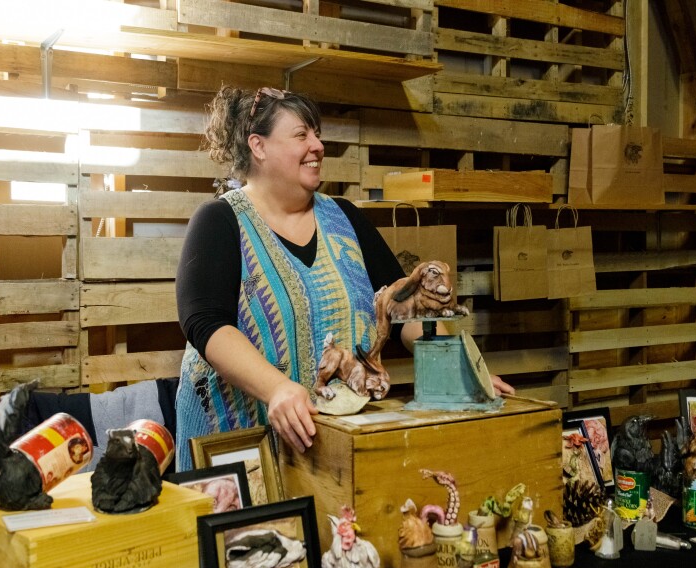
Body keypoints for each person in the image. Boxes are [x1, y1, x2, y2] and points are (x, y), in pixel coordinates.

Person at [175, 86, 513, 471]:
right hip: (236, 446)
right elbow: (204, 323)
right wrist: (278, 389)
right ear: (259, 146)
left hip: (328, 442)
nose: (318, 145)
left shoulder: (345, 218)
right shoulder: (220, 221)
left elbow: (402, 305)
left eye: (317, 133)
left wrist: (460, 371)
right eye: (302, 135)